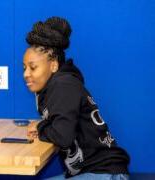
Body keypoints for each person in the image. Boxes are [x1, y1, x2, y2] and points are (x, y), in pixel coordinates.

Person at [23, 17, 130, 179]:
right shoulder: (56, 86)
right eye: (24, 68)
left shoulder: (63, 86)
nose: (26, 74)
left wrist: (39, 128)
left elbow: (62, 136)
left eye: (33, 67)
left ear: (53, 65)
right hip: (90, 172)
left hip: (106, 174)